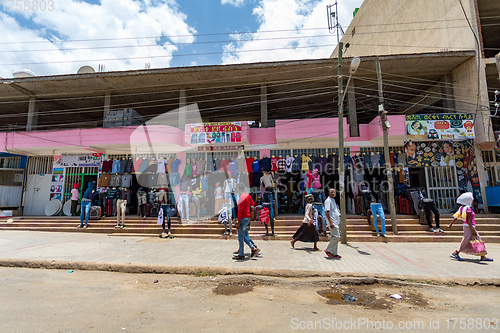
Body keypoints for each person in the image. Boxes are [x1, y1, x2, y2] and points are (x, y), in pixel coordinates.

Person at [447, 192, 493, 262]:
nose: (472, 201)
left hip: (468, 226)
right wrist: (472, 229)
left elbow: (456, 217)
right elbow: (468, 219)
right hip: (469, 226)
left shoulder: (462, 208)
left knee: (476, 239)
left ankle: (482, 256)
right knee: (467, 239)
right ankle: (456, 252)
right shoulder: (467, 208)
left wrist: (450, 224)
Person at [232, 183, 261, 260]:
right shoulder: (247, 195)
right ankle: (244, 251)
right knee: (243, 235)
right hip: (248, 218)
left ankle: (251, 249)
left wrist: (238, 221)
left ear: (239, 189)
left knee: (241, 236)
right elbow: (253, 204)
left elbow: (240, 210)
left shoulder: (241, 197)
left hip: (242, 218)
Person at [324, 189, 342, 258]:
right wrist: (331, 222)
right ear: (329, 193)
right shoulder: (328, 201)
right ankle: (328, 250)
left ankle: (334, 253)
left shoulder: (333, 200)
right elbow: (326, 212)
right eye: (332, 192)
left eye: (334, 192)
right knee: (337, 236)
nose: (333, 193)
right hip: (332, 222)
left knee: (333, 237)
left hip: (336, 221)